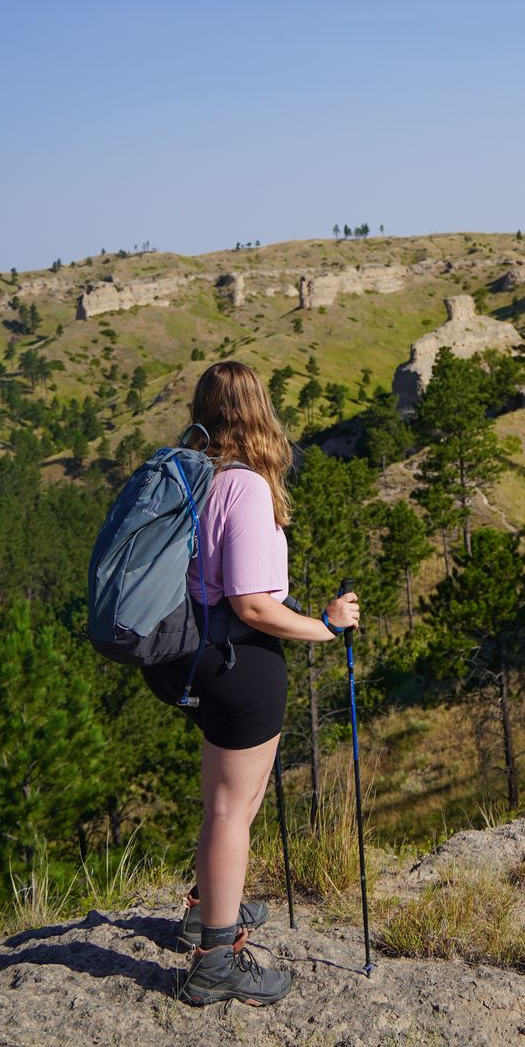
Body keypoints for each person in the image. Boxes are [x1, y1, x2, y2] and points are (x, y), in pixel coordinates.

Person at [143, 360, 360, 1006]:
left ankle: (208, 905)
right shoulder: (245, 489)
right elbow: (254, 604)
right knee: (233, 808)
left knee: (226, 802)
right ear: (259, 411)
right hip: (239, 660)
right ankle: (214, 956)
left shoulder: (193, 474)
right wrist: (326, 625)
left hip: (189, 652)